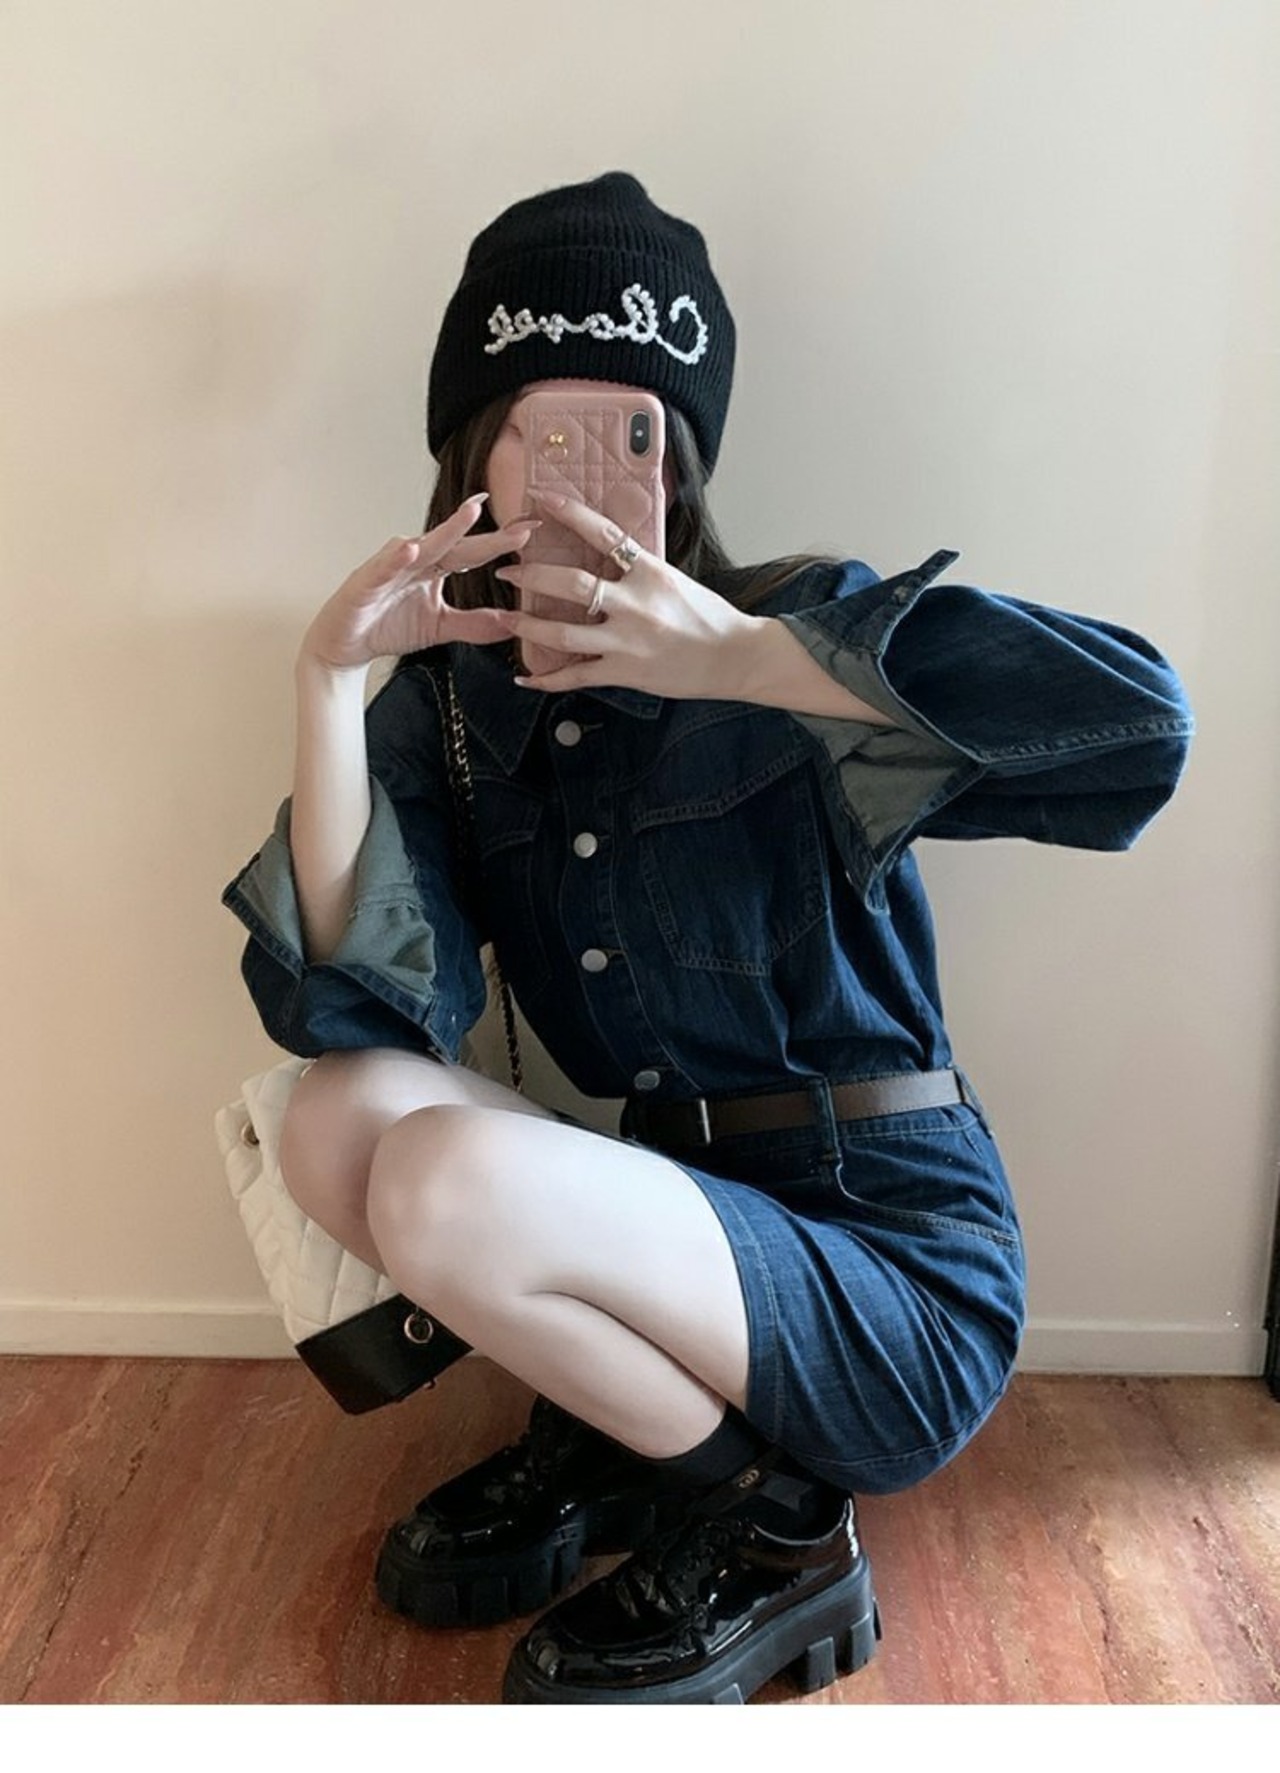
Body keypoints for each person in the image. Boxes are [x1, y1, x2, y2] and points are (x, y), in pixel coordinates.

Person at [222, 171, 1194, 1705]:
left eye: (628, 432)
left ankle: (776, 1530)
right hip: (662, 1216)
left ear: (678, 455)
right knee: (333, 1117)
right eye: (532, 429)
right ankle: (639, 1434)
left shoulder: (792, 633)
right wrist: (329, 690)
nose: (579, 476)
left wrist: (747, 659)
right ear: (469, 456)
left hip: (893, 1261)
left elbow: (1137, 731)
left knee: (443, 1173)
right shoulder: (458, 712)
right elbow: (358, 1006)